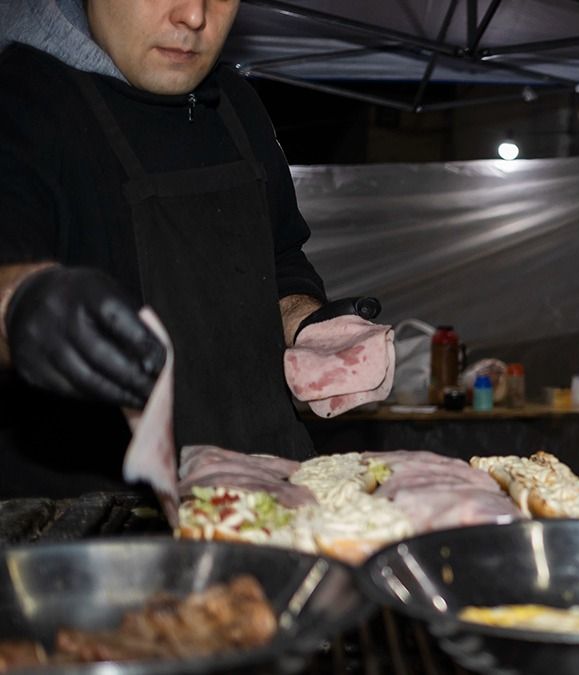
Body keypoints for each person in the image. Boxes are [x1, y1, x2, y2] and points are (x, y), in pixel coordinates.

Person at [0, 0, 373, 497]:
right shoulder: (20, 101)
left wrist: (307, 324)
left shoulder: (238, 104)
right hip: (102, 525)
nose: (194, 16)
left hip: (269, 492)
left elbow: (281, 258)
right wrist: (24, 304)